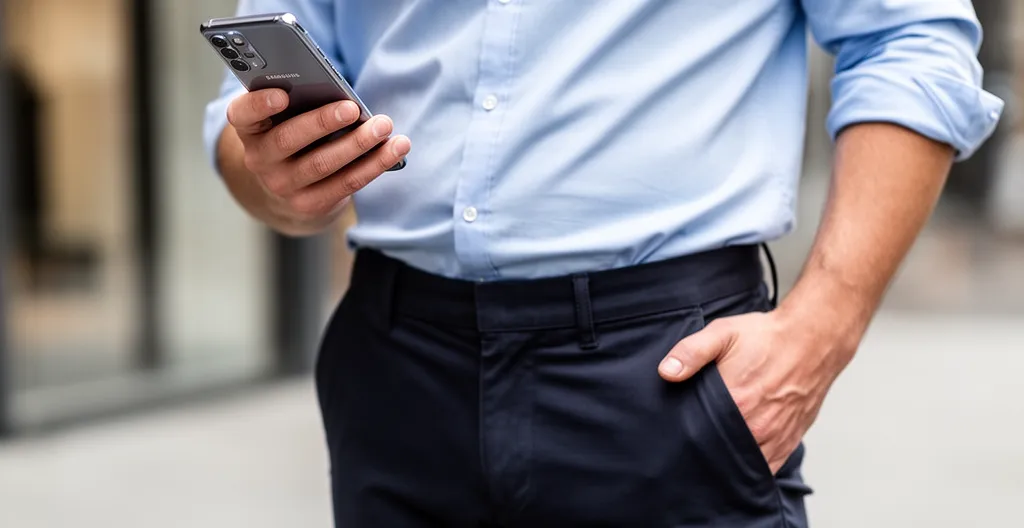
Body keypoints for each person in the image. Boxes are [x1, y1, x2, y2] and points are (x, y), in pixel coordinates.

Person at [204, 1, 1002, 526]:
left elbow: (911, 42)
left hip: (664, 374)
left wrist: (824, 326)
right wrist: (277, 176)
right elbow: (247, 118)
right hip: (398, 366)